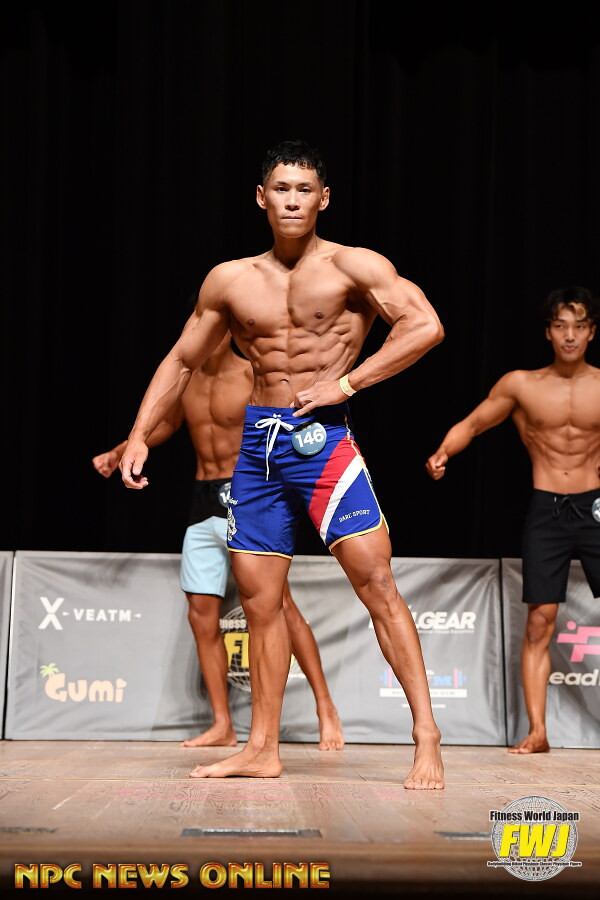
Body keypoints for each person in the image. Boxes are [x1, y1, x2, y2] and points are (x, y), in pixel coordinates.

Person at [120, 139, 445, 789]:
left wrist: (346, 384)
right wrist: (139, 435)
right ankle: (261, 748)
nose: (292, 200)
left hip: (323, 444)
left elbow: (424, 327)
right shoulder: (230, 279)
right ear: (261, 198)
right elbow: (182, 359)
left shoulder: (354, 266)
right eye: (281, 189)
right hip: (257, 449)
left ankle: (427, 737)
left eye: (304, 190)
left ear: (323, 199)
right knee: (260, 601)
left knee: (376, 583)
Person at [93, 333, 345, 750]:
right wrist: (121, 450)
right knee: (200, 614)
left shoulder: (253, 374)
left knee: (280, 605)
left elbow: (287, 423)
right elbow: (169, 423)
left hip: (248, 495)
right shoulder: (186, 378)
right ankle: (222, 724)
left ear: (229, 330)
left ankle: (325, 707)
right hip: (202, 499)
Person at [426, 286, 600, 754]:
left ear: (591, 332)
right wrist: (444, 451)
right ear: (548, 332)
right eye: (560, 326)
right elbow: (474, 423)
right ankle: (538, 731)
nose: (569, 335)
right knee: (540, 619)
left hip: (596, 505)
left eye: (578, 326)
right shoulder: (522, 385)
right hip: (548, 509)